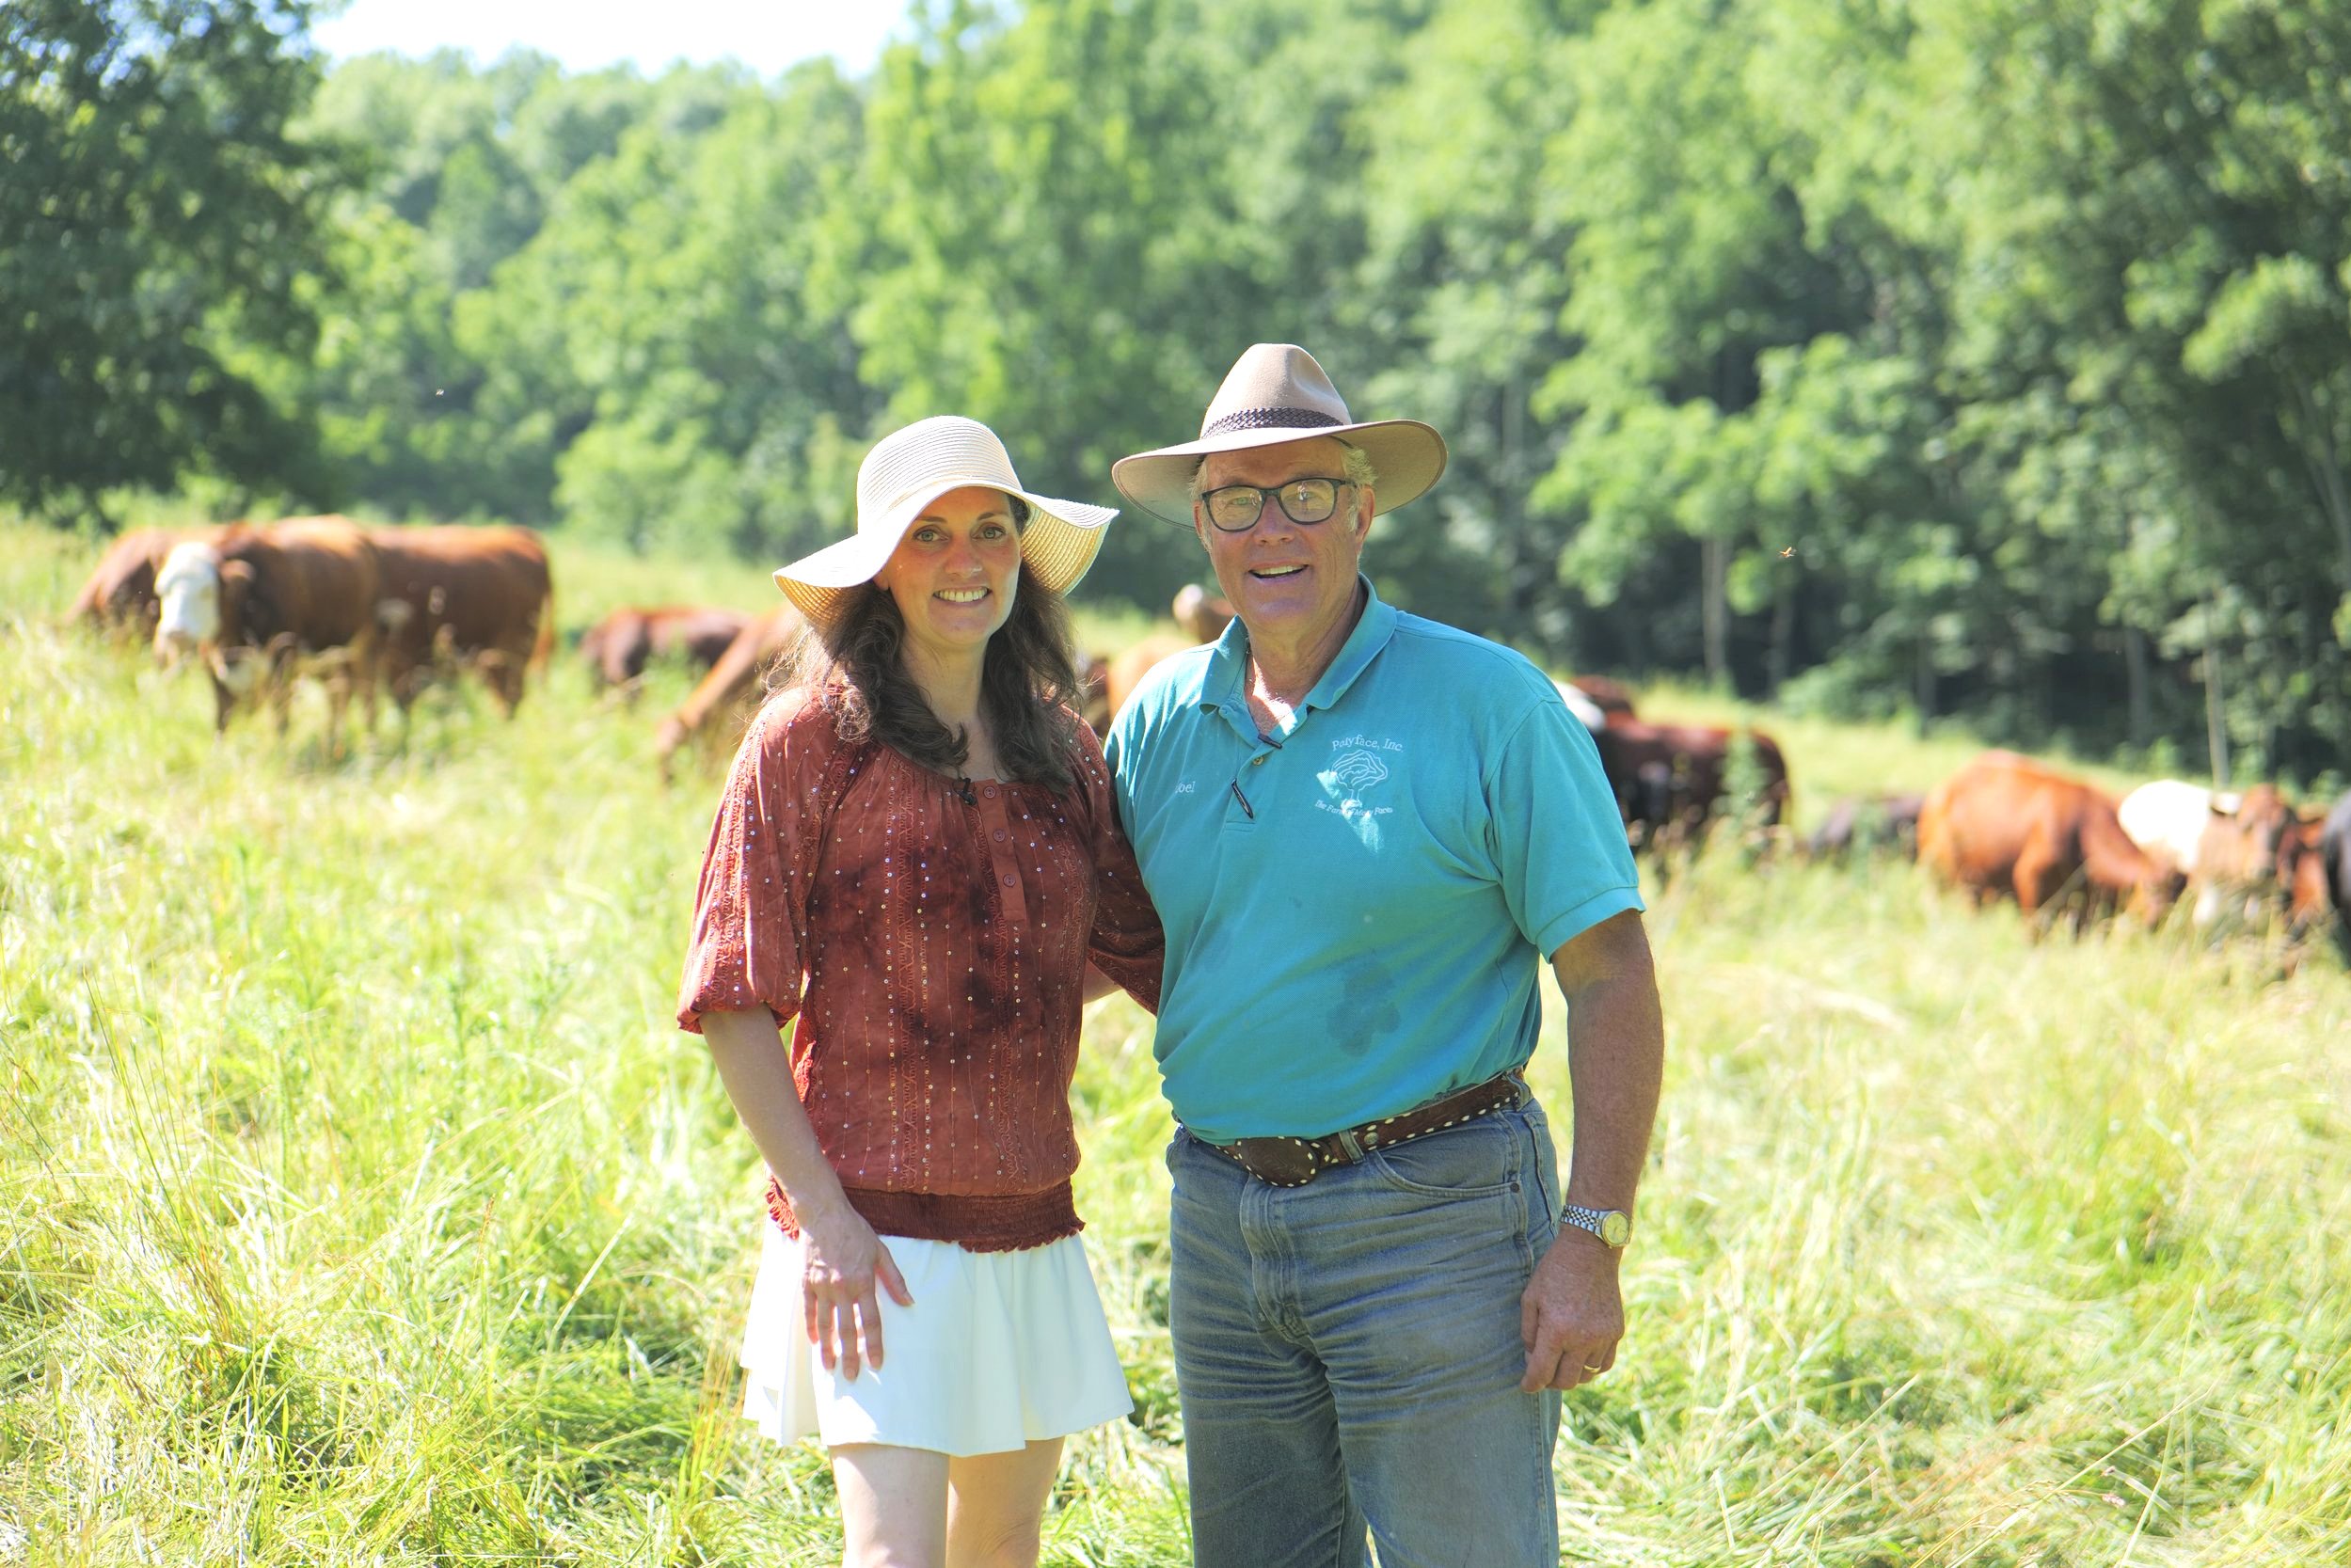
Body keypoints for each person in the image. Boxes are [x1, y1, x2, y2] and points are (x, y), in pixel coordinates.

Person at [1103, 344, 1666, 1566]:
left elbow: (1610, 972)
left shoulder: (1491, 705)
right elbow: (1111, 940)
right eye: (1235, 498)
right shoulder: (1157, 720)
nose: (1271, 527)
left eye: (1305, 491)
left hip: (1436, 1215)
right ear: (1199, 522)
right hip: (1218, 1214)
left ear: (1362, 508)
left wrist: (1591, 1234)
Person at [677, 416, 1163, 1568]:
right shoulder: (807, 740)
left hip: (1030, 1210)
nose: (966, 559)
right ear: (881, 566)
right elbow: (734, 997)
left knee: (1002, 1545)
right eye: (928, 533)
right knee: (895, 1555)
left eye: (990, 529)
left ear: (1020, 554)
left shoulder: (1065, 750)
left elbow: (1123, 950)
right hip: (872, 1226)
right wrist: (826, 1219)